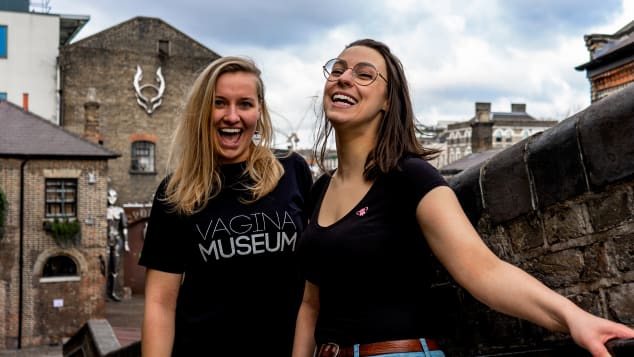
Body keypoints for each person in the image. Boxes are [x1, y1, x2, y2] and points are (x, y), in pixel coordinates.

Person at [292, 39, 634, 357]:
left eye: (363, 74)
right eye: (337, 70)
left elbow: (483, 270)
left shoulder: (410, 177)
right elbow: (311, 305)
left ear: (387, 101)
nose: (344, 78)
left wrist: (573, 318)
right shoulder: (319, 191)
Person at [138, 56, 313, 356]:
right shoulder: (175, 192)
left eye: (244, 104)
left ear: (259, 111)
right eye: (219, 103)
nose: (232, 116)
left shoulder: (292, 171)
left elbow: (314, 283)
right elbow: (160, 305)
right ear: (202, 111)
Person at [106, 188, 129, 301]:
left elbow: (124, 227)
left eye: (114, 196)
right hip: (105, 240)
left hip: (117, 240)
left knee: (115, 267)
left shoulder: (120, 210)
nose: (112, 199)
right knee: (105, 266)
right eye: (109, 196)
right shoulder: (103, 210)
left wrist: (126, 243)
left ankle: (113, 292)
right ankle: (105, 292)